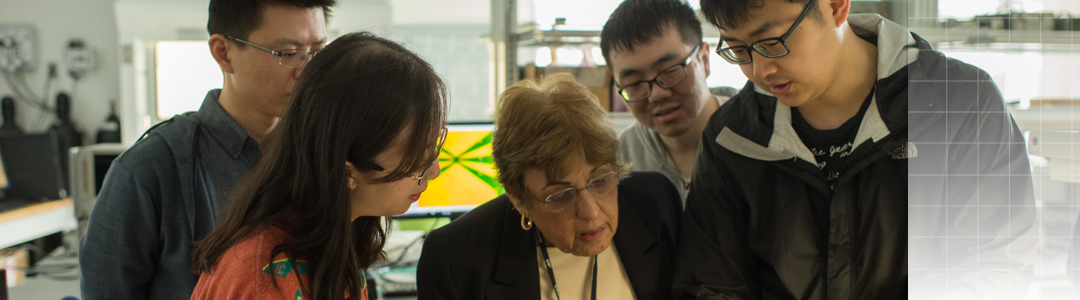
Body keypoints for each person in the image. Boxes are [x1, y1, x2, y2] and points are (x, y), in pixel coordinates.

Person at [673, 0, 1036, 299]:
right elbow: (713, 285)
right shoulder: (732, 139)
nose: (759, 69)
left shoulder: (960, 103)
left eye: (771, 42)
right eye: (737, 50)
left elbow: (995, 267)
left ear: (835, 6)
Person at [79, 0, 334, 298]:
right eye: (289, 54)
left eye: (316, 52)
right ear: (223, 53)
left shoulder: (320, 156)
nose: (306, 71)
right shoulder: (148, 171)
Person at [190, 31, 448, 300]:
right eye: (417, 160)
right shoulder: (265, 279)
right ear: (348, 171)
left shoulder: (334, 238)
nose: (434, 171)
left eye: (433, 149)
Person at [416, 73, 682, 300]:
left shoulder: (656, 204)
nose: (590, 212)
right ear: (518, 198)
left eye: (599, 181)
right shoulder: (455, 257)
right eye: (561, 195)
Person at [600, 0, 728, 204]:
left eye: (670, 71)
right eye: (634, 83)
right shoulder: (618, 164)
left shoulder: (759, 133)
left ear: (704, 59)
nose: (657, 94)